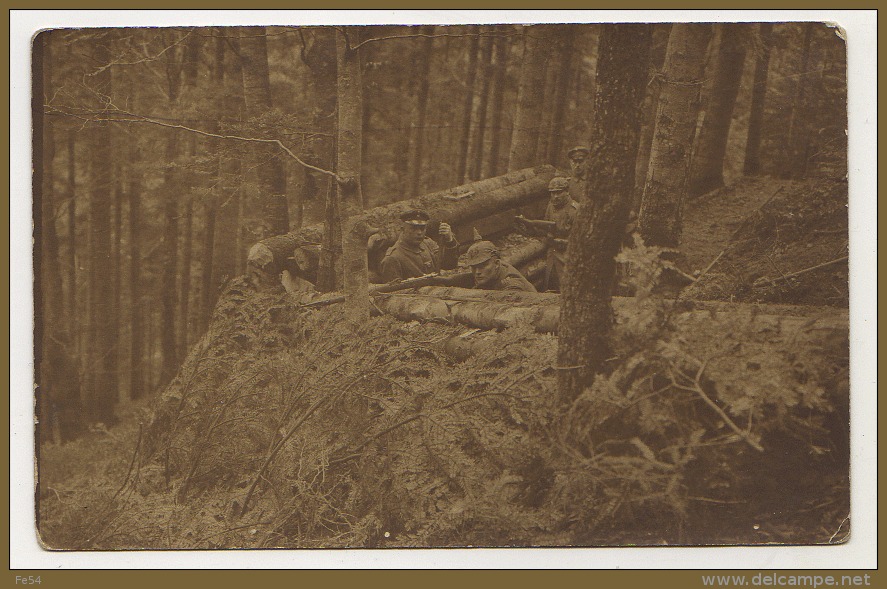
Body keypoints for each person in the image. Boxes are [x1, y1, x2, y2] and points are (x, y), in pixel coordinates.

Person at [515, 176, 578, 291]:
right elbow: (546, 228)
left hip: (568, 256)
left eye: (559, 193)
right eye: (552, 193)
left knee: (568, 288)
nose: (555, 196)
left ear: (567, 192)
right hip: (552, 254)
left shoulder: (575, 210)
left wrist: (562, 242)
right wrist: (529, 227)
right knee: (550, 286)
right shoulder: (551, 206)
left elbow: (581, 241)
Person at [379, 209, 460, 282]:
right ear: (402, 229)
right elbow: (394, 294)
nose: (419, 232)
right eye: (413, 228)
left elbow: (449, 265)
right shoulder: (393, 258)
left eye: (422, 228)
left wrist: (449, 241)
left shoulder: (428, 243)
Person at [464, 241, 537, 292]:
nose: (477, 272)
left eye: (483, 266)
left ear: (497, 264)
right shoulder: (491, 274)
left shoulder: (511, 283)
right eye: (473, 267)